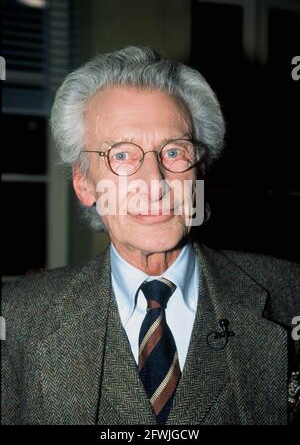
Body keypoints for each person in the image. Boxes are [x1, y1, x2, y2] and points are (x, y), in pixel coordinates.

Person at [2, 46, 299, 425]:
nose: (155, 183)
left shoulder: (290, 295)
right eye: (122, 156)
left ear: (200, 171)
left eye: (173, 151)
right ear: (83, 181)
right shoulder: (14, 319)